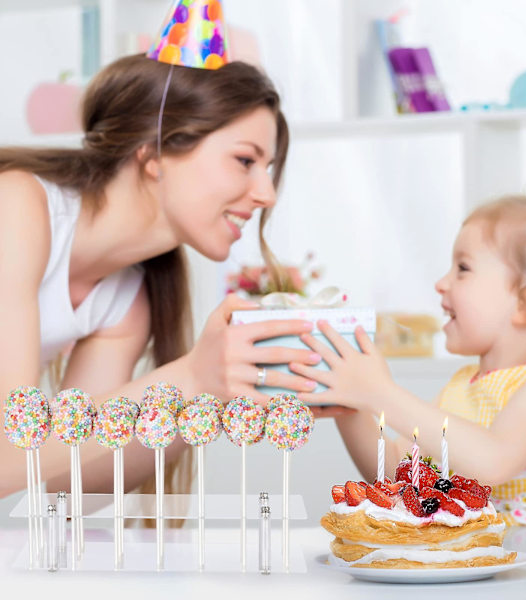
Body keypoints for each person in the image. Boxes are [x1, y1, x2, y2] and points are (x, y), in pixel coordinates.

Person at [0, 54, 325, 500]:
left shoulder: (125, 298)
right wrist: (190, 376)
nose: (266, 194)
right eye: (245, 160)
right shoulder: (15, 209)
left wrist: (210, 392)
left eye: (267, 170)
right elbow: (9, 454)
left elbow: (67, 486)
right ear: (154, 151)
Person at [292, 194, 526, 525]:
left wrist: (380, 393)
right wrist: (352, 405)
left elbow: (491, 462)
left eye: (463, 268)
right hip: (481, 561)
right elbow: (396, 472)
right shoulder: (460, 387)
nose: (441, 283)